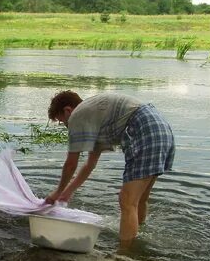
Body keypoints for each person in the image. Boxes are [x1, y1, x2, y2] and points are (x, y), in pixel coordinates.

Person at [44, 90, 175, 247]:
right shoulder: (95, 115)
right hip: (160, 128)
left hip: (143, 129)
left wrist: (57, 192)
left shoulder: (78, 115)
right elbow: (89, 164)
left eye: (62, 121)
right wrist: (68, 192)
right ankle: (136, 240)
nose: (66, 126)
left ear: (68, 110)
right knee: (138, 200)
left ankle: (125, 255)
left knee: (127, 201)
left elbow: (71, 164)